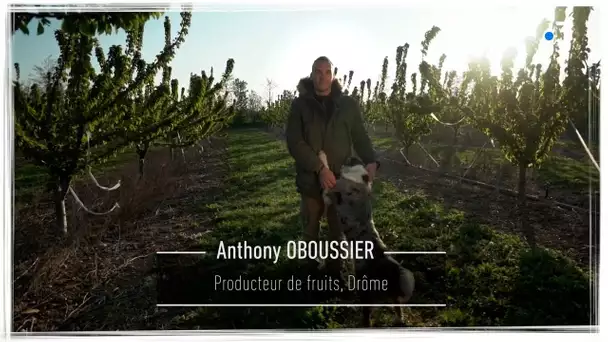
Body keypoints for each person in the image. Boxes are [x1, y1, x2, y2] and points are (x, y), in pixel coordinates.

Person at [285, 56, 380, 279]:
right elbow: (295, 142)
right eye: (318, 71)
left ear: (333, 75)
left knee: (337, 230)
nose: (322, 76)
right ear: (311, 74)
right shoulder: (300, 105)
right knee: (311, 225)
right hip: (310, 179)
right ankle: (310, 271)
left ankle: (334, 273)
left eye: (327, 72)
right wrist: (320, 167)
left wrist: (372, 160)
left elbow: (360, 136)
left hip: (340, 181)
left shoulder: (347, 105)